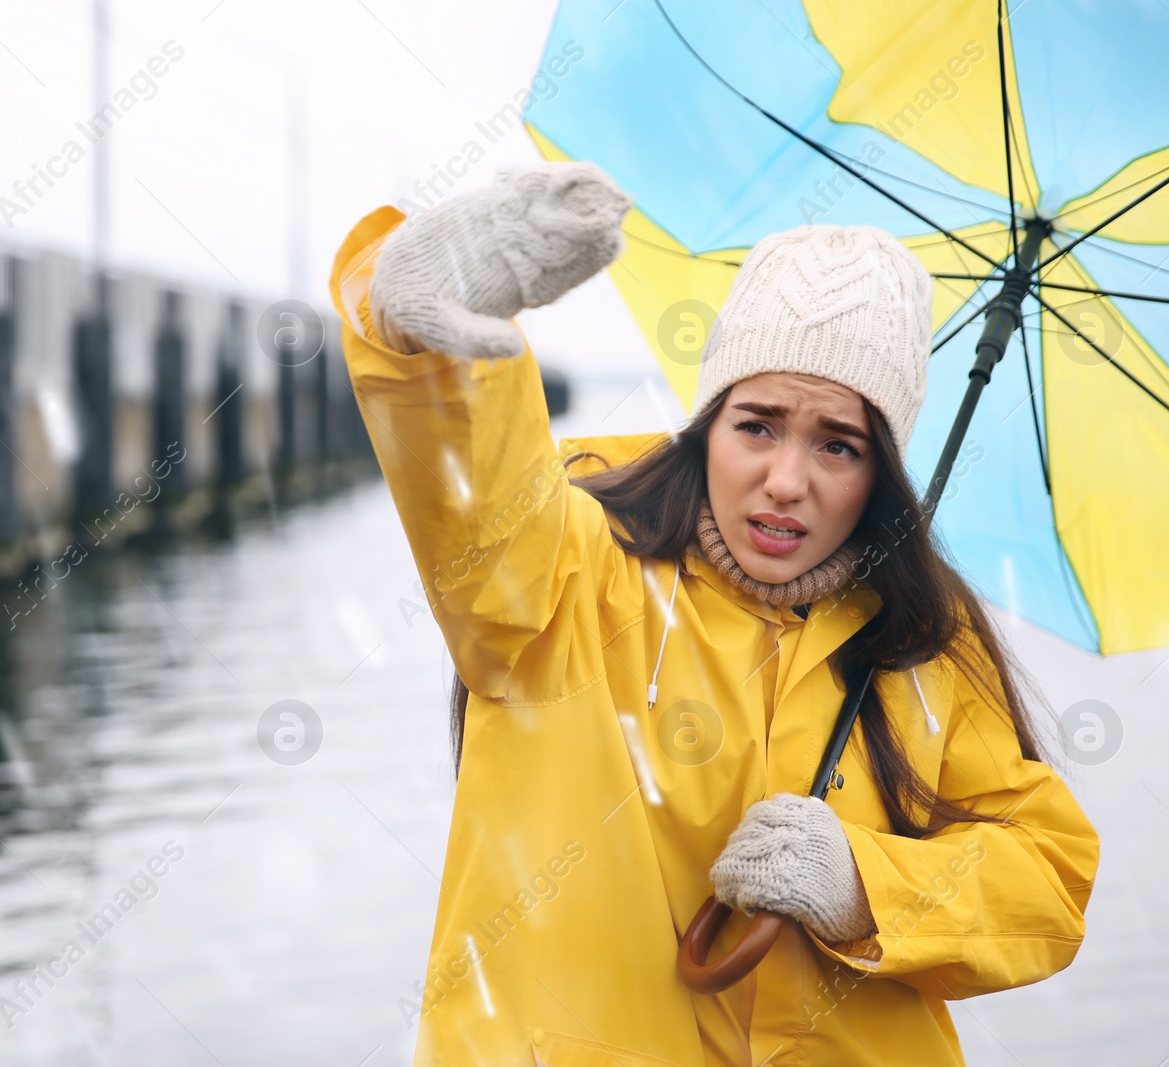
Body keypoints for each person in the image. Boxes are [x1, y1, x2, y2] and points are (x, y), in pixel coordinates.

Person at [329, 160, 1098, 1067]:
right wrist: (421, 328)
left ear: (880, 472)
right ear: (709, 422)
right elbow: (471, 491)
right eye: (758, 424)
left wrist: (866, 885)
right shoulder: (572, 567)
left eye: (839, 444)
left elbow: (1046, 878)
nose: (786, 480)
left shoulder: (925, 637)